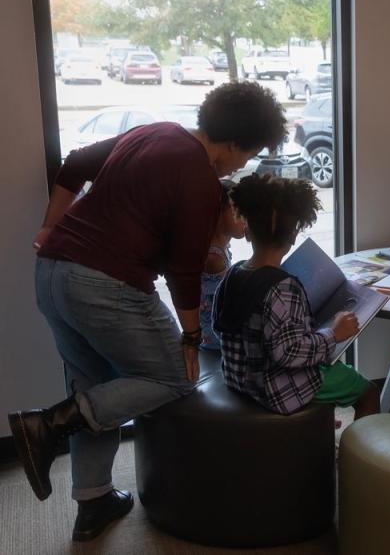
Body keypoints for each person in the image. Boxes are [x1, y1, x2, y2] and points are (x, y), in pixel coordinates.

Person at [8, 81, 287, 542]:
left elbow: (75, 165)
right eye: (247, 153)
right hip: (104, 285)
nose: (244, 164)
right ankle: (44, 424)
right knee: (172, 378)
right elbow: (182, 270)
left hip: (51, 274)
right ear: (234, 142)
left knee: (94, 388)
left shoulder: (152, 132)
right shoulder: (199, 176)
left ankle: (93, 500)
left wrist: (49, 226)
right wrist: (191, 337)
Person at [213, 175, 380, 418]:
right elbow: (288, 352)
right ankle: (354, 456)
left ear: (247, 231)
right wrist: (333, 334)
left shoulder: (233, 273)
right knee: (368, 391)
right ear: (293, 236)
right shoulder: (283, 287)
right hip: (275, 389)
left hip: (238, 379)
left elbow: (221, 329)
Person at [199, 181, 246, 352]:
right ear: (217, 213)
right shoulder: (214, 258)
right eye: (237, 210)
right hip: (215, 340)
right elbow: (228, 302)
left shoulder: (220, 248)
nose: (244, 217)